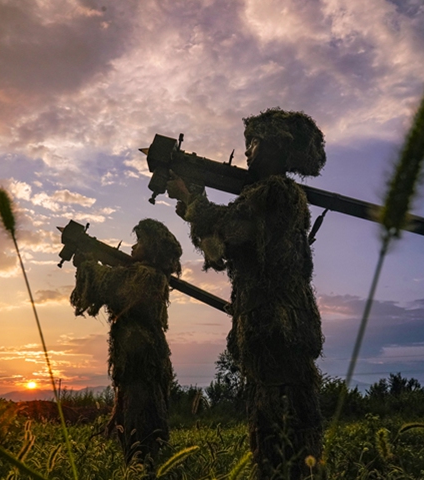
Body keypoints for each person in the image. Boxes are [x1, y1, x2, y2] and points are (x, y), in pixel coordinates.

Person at [167, 108, 326, 479]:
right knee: (273, 435)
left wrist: (195, 197)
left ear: (276, 147)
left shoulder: (274, 192)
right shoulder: (271, 196)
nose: (248, 151)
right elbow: (220, 250)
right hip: (268, 330)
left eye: (254, 142)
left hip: (275, 329)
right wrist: (195, 206)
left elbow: (227, 231)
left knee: (282, 434)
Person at [69, 218, 182, 469]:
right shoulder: (143, 274)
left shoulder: (148, 276)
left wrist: (87, 261)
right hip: (134, 366)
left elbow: (110, 285)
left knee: (141, 428)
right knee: (132, 426)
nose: (133, 247)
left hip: (142, 366)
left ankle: (143, 470)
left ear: (152, 248)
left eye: (140, 242)